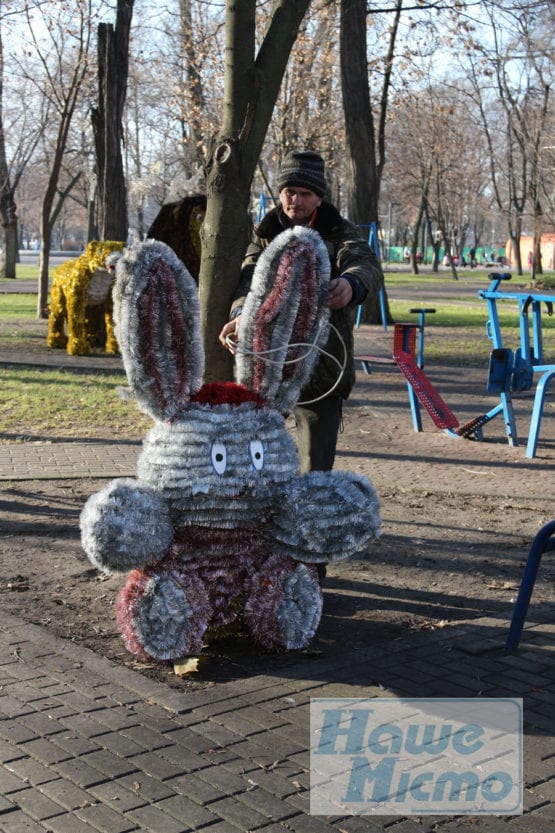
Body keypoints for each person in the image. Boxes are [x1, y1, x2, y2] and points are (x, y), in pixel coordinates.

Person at [219, 149, 383, 474]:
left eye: (305, 194)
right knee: (256, 456)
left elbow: (365, 265)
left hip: (322, 365)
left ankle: (310, 520)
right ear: (279, 193)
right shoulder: (262, 235)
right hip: (266, 365)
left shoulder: (341, 232)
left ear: (319, 198)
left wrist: (351, 284)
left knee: (315, 468)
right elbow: (247, 280)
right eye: (289, 192)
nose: (295, 200)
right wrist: (241, 315)